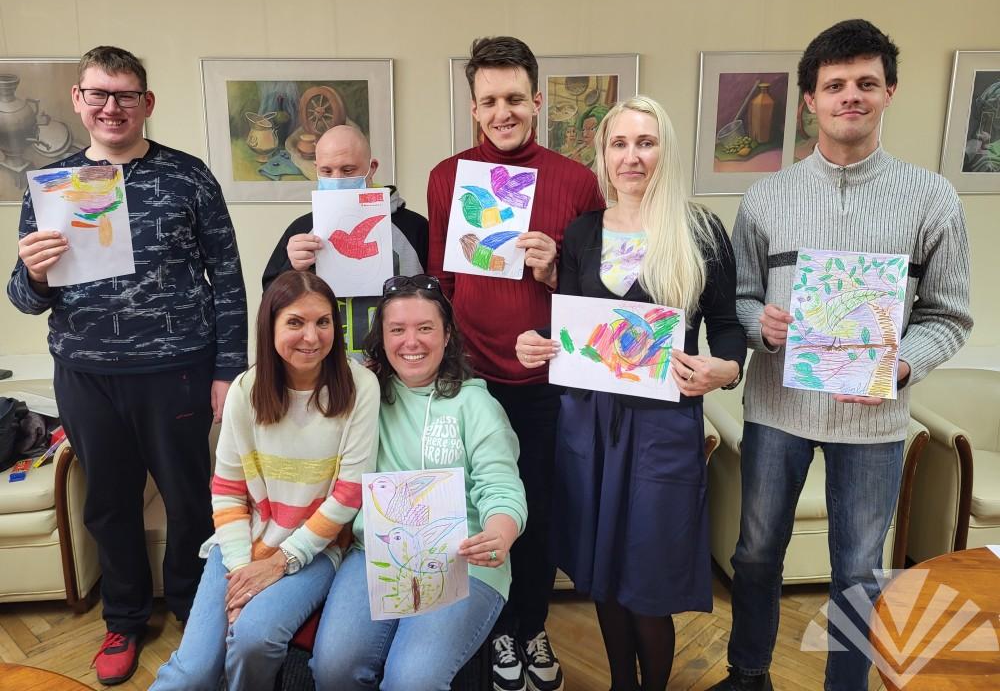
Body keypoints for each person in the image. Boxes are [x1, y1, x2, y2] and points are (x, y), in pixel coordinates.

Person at [711, 19, 973, 691]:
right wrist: (761, 325)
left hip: (874, 421)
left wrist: (902, 364)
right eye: (834, 85)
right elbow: (738, 298)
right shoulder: (766, 196)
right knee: (756, 554)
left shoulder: (932, 198)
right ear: (810, 100)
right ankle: (748, 675)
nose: (849, 95)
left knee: (858, 569)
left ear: (889, 91)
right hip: (778, 410)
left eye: (865, 83)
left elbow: (949, 315)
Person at [6, 46, 248, 685]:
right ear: (79, 100)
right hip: (86, 374)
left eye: (125, 95)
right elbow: (26, 297)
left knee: (190, 501)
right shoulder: (51, 185)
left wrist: (228, 369)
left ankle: (195, 609)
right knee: (109, 505)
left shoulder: (188, 176)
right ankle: (125, 619)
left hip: (178, 369)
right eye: (99, 94)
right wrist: (35, 273)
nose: (112, 107)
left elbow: (227, 276)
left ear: (147, 103)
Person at [516, 96, 746, 691]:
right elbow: (572, 328)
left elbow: (726, 325)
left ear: (664, 150)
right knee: (602, 573)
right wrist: (536, 342)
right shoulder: (583, 232)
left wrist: (726, 368)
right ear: (602, 155)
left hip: (663, 428)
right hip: (589, 425)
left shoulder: (699, 231)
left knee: (647, 577)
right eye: (619, 144)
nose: (632, 156)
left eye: (645, 143)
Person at [427, 36, 604, 691]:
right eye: (488, 101)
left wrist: (556, 273)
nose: (502, 112)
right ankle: (494, 628)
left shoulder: (578, 181)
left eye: (514, 98)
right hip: (471, 379)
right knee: (478, 509)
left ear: (537, 101)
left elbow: (601, 297)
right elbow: (442, 282)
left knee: (538, 511)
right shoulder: (448, 177)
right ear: (474, 109)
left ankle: (531, 625)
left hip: (547, 383)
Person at [151, 270, 380, 691]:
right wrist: (243, 573)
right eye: (295, 322)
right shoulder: (245, 389)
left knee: (253, 639)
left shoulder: (360, 386)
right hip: (245, 539)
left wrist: (278, 563)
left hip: (316, 547)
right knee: (191, 673)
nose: (311, 336)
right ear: (270, 326)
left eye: (323, 322)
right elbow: (227, 491)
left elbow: (349, 495)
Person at [310, 274, 528, 691]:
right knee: (334, 669)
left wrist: (500, 533)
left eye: (425, 328)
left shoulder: (477, 405)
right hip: (376, 552)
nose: (411, 342)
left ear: (447, 336)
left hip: (462, 557)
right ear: (381, 338)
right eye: (397, 330)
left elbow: (501, 487)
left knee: (411, 679)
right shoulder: (363, 396)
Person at [262, 124, 428, 359]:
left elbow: (441, 299)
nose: (337, 179)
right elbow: (270, 304)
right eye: (327, 171)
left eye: (348, 170)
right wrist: (291, 268)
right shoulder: (301, 230)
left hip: (399, 365)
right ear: (316, 169)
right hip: (324, 366)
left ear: (372, 168)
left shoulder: (414, 227)